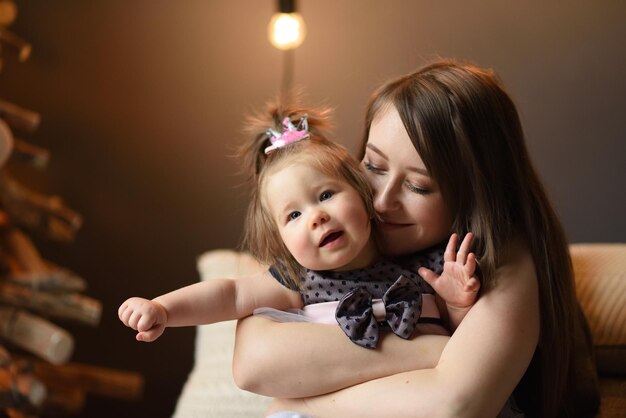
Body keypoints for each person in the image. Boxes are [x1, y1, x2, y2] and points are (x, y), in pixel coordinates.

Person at [232, 60, 600, 418]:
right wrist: (437, 352)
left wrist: (303, 404)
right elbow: (252, 365)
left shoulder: (502, 256)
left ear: (475, 196)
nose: (381, 200)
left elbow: (453, 406)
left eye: (418, 186)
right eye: (373, 165)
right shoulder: (333, 234)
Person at [117, 103, 479, 350]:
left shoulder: (420, 262)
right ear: (281, 241)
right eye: (293, 216)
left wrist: (458, 304)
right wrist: (163, 309)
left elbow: (464, 350)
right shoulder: (300, 281)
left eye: (325, 195)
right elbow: (230, 294)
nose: (316, 217)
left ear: (364, 193)